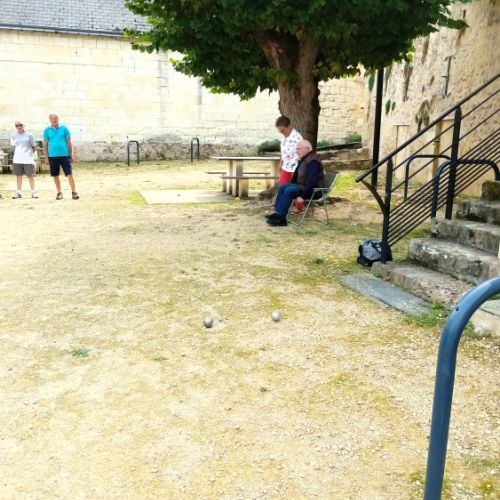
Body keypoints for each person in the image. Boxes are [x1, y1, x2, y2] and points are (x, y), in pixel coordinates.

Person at [265, 140, 325, 227]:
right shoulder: (304, 159)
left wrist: (303, 197)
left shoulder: (313, 161)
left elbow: (311, 181)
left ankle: (281, 219)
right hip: (303, 187)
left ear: (307, 149)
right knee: (283, 187)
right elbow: (295, 177)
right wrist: (289, 185)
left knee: (289, 191)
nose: (296, 151)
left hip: (314, 191)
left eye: (298, 149)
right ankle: (278, 213)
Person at [43, 113, 79, 200]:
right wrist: (46, 158)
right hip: (52, 156)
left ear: (58, 119)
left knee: (69, 173)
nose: (54, 120)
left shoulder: (64, 129)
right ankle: (59, 192)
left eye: (55, 118)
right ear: (49, 120)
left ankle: (74, 192)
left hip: (64, 155)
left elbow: (69, 142)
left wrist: (70, 155)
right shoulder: (47, 130)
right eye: (52, 118)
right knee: (55, 175)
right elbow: (45, 145)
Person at [10, 121, 38, 199]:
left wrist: (29, 155)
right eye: (17, 125)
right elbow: (14, 146)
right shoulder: (13, 135)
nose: (19, 127)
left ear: (24, 125)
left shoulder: (29, 135)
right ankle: (19, 192)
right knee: (18, 176)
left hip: (28, 159)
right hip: (17, 159)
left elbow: (34, 146)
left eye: (20, 125)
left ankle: (33, 192)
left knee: (30, 175)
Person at [275, 115, 303, 185]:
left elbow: (302, 155)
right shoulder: (284, 139)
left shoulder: (297, 138)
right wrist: (281, 164)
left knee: (292, 189)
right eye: (279, 131)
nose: (281, 132)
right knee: (282, 188)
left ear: (289, 126)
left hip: (295, 169)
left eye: (283, 130)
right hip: (285, 168)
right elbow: (283, 153)